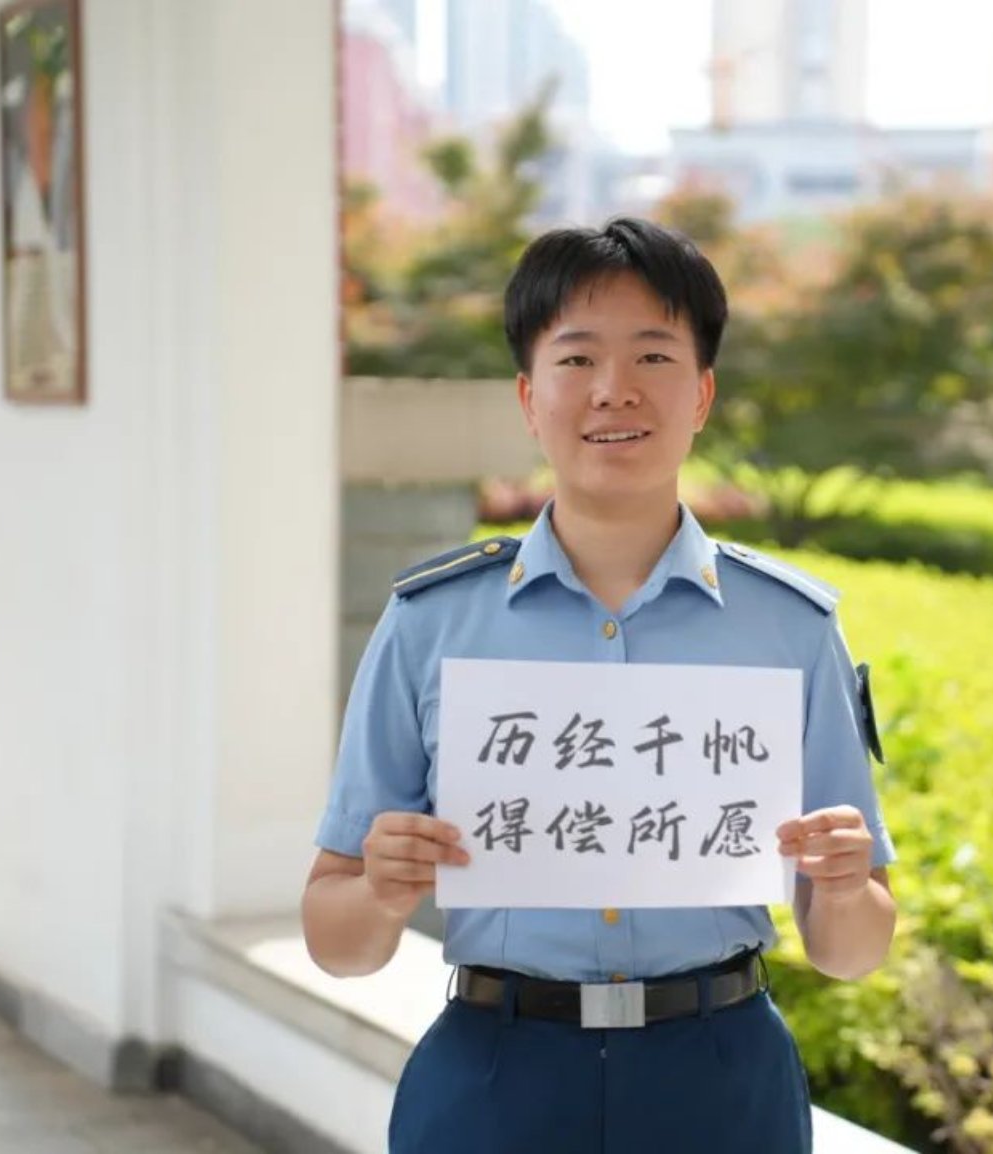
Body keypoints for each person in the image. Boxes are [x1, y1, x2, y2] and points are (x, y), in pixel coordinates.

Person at [301, 216, 896, 1153]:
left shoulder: (792, 628)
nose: (614, 388)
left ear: (702, 394)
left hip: (721, 1077)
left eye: (653, 355)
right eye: (576, 359)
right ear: (528, 397)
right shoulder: (430, 624)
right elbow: (336, 943)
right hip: (495, 1073)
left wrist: (849, 888)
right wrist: (378, 888)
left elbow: (850, 951)